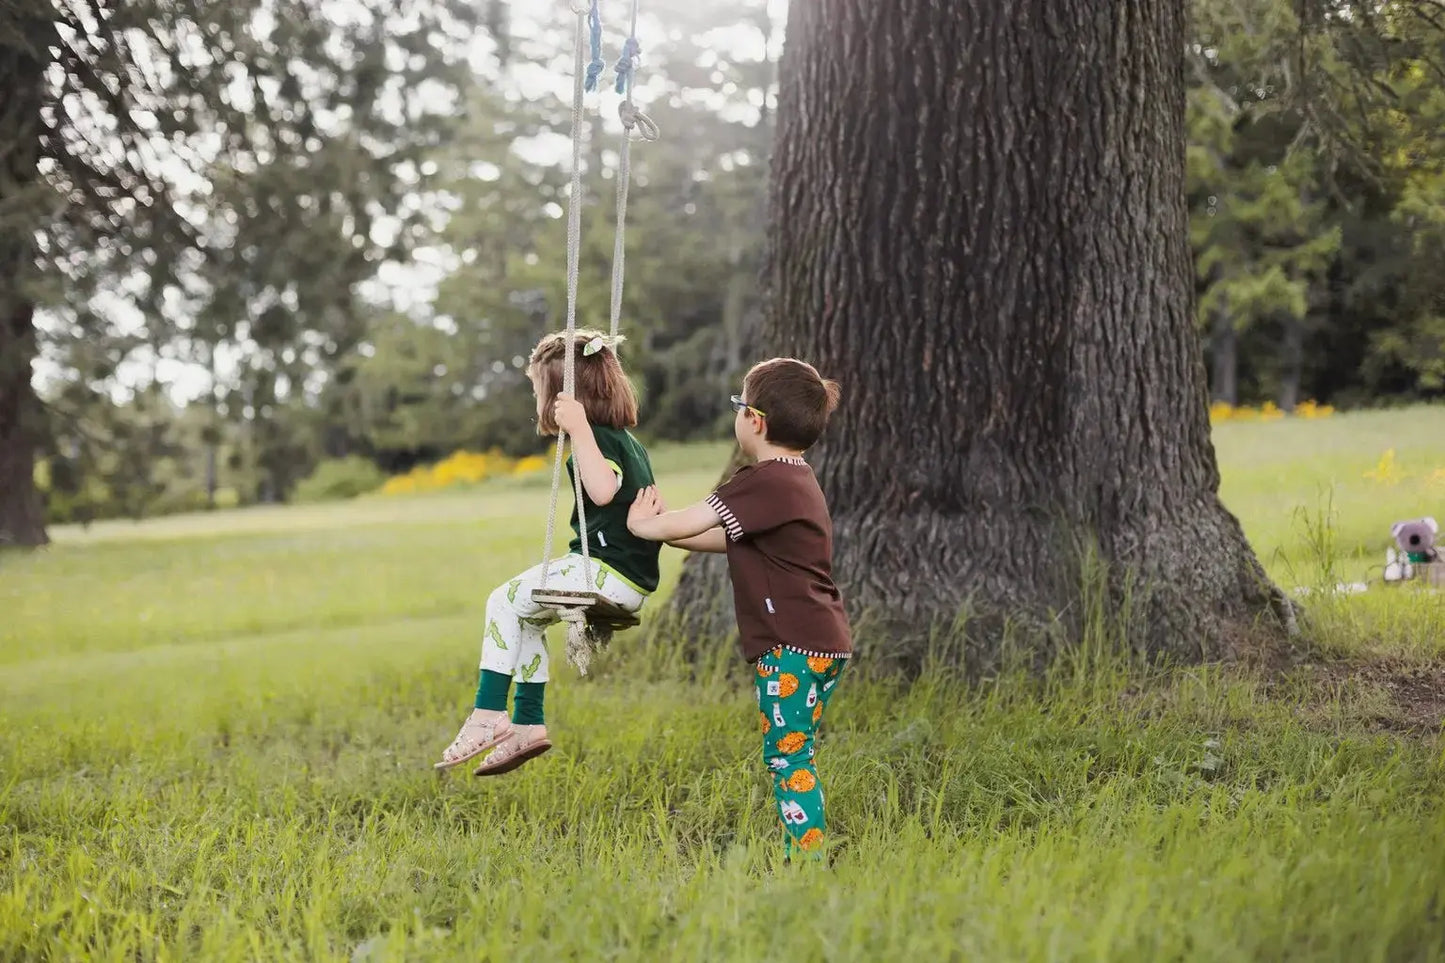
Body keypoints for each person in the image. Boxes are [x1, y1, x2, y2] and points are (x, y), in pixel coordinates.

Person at [627, 357, 851, 857]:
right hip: (823, 640)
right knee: (798, 748)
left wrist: (644, 526)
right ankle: (806, 844)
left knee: (788, 755)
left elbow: (689, 521)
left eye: (738, 405)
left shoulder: (762, 480)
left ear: (754, 419)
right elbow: (732, 540)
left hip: (790, 644)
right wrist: (675, 537)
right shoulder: (797, 479)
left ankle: (807, 854)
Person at [435, 330, 660, 776]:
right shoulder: (623, 439)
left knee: (501, 600)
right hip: (622, 576)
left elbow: (602, 490)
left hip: (605, 573)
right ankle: (528, 724)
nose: (538, 400)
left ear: (562, 396)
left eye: (539, 389)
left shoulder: (596, 438)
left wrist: (577, 430)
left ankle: (487, 713)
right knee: (526, 618)